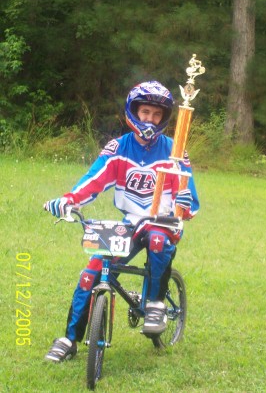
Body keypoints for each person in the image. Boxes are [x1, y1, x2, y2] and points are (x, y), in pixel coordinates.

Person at [44, 80, 199, 362]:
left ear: (163, 118)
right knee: (91, 273)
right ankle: (69, 339)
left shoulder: (174, 151)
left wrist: (184, 205)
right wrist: (68, 200)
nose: (150, 119)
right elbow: (93, 180)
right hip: (129, 222)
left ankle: (155, 304)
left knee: (156, 238)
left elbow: (189, 196)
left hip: (162, 224)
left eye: (156, 114)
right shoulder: (117, 147)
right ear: (134, 112)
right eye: (145, 112)